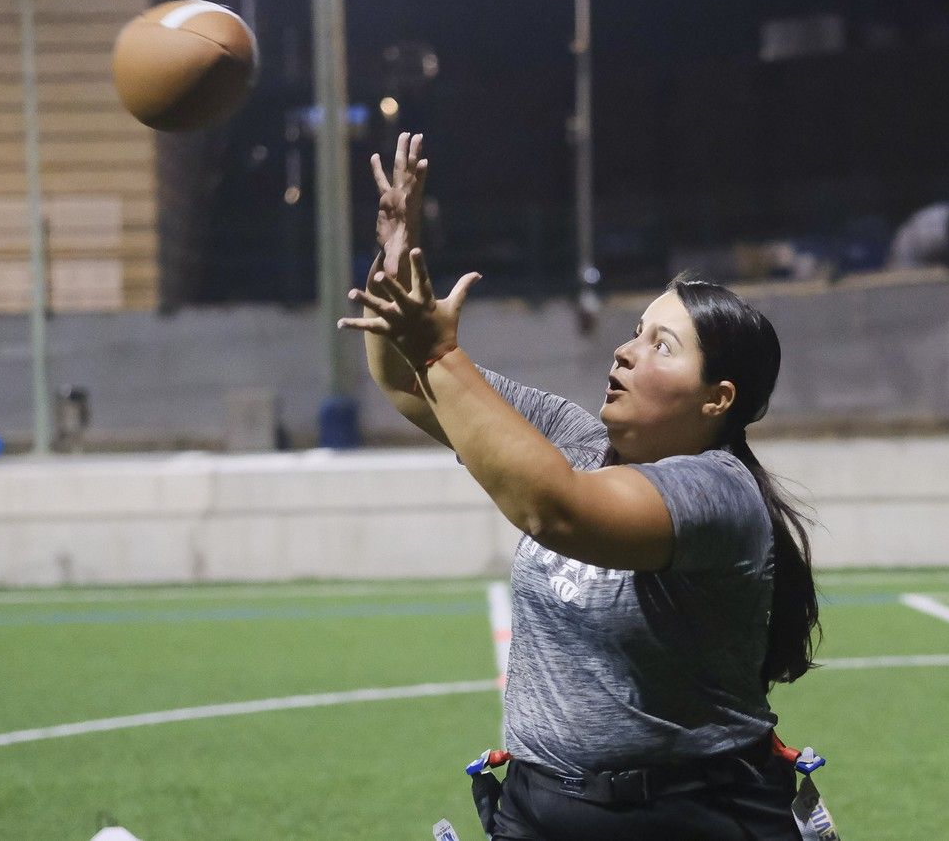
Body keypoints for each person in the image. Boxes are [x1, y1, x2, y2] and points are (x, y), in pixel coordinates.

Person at [339, 133, 820, 841]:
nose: (624, 351)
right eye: (636, 331)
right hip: (540, 808)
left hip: (688, 814)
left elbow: (555, 508)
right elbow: (409, 384)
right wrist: (395, 262)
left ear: (717, 398)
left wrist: (438, 349)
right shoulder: (576, 439)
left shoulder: (720, 493)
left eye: (661, 346)